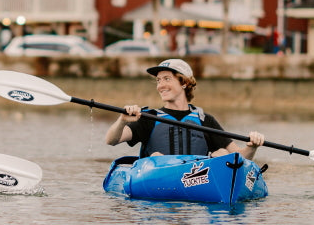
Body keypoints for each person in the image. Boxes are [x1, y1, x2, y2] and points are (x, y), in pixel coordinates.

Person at [105, 58, 265, 160]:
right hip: (159, 184)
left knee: (222, 154)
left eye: (167, 79)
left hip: (195, 181)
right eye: (158, 80)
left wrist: (253, 147)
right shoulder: (149, 118)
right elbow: (111, 140)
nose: (160, 85)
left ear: (184, 83)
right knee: (156, 156)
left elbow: (241, 159)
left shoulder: (205, 120)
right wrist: (122, 120)